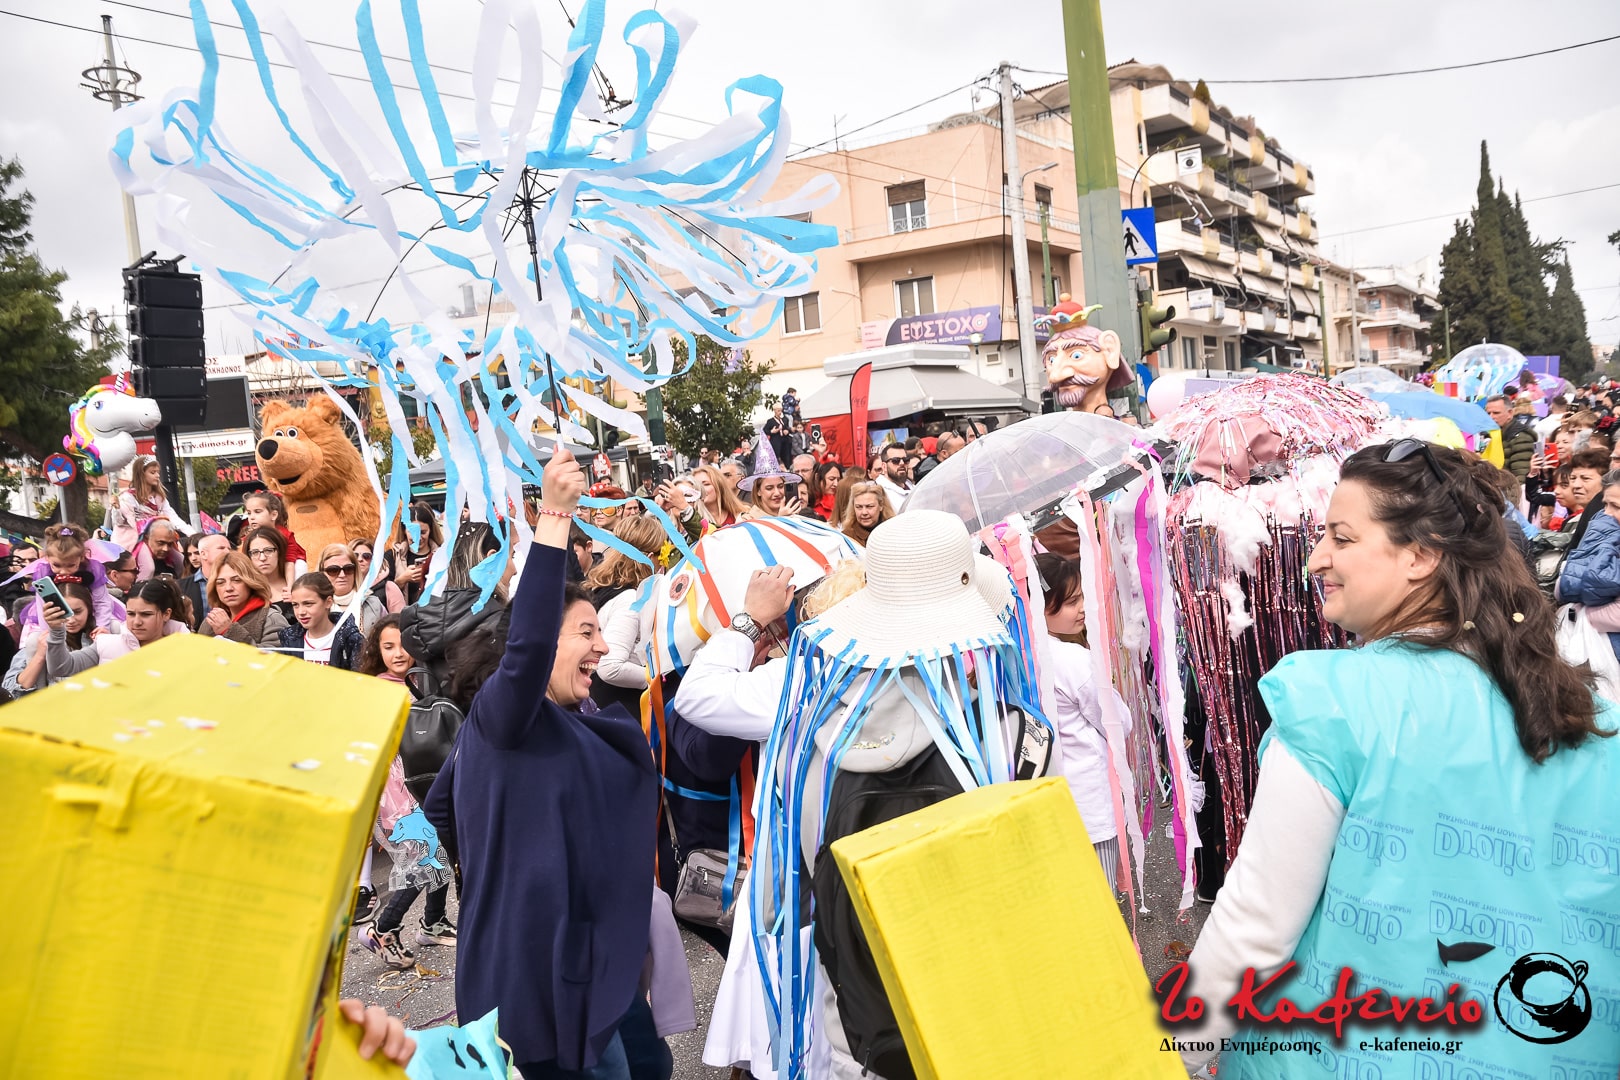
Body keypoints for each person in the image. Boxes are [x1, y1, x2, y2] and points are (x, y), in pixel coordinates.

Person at [1178, 439, 1620, 1078]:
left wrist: (1173, 1056)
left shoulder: (1333, 703)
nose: (1316, 558)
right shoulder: (1585, 712)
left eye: (1342, 538)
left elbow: (1255, 925)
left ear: (1420, 555)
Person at [422, 448, 671, 1080]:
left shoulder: (572, 720)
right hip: (530, 972)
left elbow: (439, 813)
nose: (604, 646)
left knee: (649, 1064)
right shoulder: (503, 717)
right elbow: (528, 644)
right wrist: (555, 516)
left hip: (589, 957)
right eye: (586, 632)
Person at [356, 612, 457, 970]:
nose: (398, 653)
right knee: (427, 853)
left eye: (403, 645)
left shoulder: (422, 680)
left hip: (425, 778)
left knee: (440, 845)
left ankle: (433, 921)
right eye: (388, 647)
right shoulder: (378, 689)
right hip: (398, 785)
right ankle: (383, 928)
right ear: (377, 651)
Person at [1033, 552, 1127, 888]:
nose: (1083, 608)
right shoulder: (1073, 659)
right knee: (1100, 897)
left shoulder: (1020, 656)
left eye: (1082, 597)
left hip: (1047, 801)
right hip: (1089, 803)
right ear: (1043, 607)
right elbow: (1117, 723)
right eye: (1072, 602)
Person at [398, 522, 512, 694]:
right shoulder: (502, 626)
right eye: (511, 555)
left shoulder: (423, 620)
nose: (515, 569)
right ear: (491, 559)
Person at [35, 576, 189, 682]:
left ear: (166, 614)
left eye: (146, 614)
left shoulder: (187, 650)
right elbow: (61, 668)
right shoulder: (107, 644)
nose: (136, 622)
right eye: (130, 614)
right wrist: (56, 630)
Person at [589, 515, 668, 717]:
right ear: (649, 557)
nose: (663, 562)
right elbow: (610, 666)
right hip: (620, 706)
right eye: (662, 554)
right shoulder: (629, 600)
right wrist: (658, 678)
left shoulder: (610, 587)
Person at [19, 523, 118, 633]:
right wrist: (47, 633)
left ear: (81, 557)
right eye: (57, 565)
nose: (64, 572)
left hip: (90, 614)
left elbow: (102, 602)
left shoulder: (92, 569)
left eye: (71, 565)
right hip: (55, 619)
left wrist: (102, 627)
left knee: (114, 627)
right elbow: (43, 607)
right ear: (47, 558)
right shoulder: (44, 573)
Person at [4, 581, 95, 696]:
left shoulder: (102, 635)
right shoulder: (38, 639)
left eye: (77, 612)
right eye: (63, 613)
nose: (71, 620)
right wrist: (39, 655)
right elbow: (10, 690)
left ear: (89, 609)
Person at [199, 552, 290, 649]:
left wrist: (229, 632)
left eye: (236, 580)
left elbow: (275, 657)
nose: (228, 588)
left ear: (250, 582)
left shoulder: (271, 619)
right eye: (221, 582)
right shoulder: (211, 621)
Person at [279, 571, 366, 668]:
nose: (301, 612)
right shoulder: (290, 639)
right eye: (295, 605)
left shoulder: (350, 639)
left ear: (328, 602)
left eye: (308, 604)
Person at [110, 454, 187, 551]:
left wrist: (192, 533)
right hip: (134, 542)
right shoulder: (128, 497)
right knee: (148, 561)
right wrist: (116, 508)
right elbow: (119, 522)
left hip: (156, 539)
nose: (157, 476)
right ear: (141, 474)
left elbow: (173, 517)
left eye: (158, 472)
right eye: (153, 472)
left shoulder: (159, 497)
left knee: (179, 557)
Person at [317, 542, 386, 638]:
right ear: (321, 573)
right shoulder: (315, 606)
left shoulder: (374, 604)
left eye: (348, 569)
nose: (342, 575)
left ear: (355, 571)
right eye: (333, 570)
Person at [388, 501, 442, 606]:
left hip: (435, 612)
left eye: (423, 532)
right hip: (403, 614)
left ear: (431, 530)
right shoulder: (393, 555)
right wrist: (402, 580)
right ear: (404, 530)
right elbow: (382, 595)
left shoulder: (443, 556)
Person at [242, 490, 308, 571]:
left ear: (273, 515)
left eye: (257, 512)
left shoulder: (285, 536)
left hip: (290, 570)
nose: (252, 517)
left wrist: (290, 580)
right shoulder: (248, 538)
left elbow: (289, 562)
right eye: (249, 513)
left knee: (299, 565)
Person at [181, 532, 233, 631]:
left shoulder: (240, 583)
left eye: (229, 549)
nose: (227, 552)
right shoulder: (182, 586)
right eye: (221, 548)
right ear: (204, 554)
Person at [243, 525, 296, 608]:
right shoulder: (245, 591)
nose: (262, 558)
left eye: (268, 550)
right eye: (255, 552)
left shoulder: (297, 584)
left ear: (279, 552)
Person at [1486, 395, 1536, 482]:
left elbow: (1521, 476)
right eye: (1488, 413)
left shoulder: (1521, 438)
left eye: (1496, 413)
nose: (1491, 417)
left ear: (1510, 413)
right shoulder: (1495, 434)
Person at [351, 538, 406, 613]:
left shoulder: (389, 587)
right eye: (355, 555)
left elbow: (399, 618)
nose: (360, 559)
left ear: (375, 560)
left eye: (366, 556)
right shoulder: (343, 587)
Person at [839, 480, 894, 546]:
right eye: (859, 507)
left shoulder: (893, 533)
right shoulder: (846, 538)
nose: (864, 512)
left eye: (869, 506)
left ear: (881, 505)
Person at [873, 444, 912, 513]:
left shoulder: (913, 487)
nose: (902, 463)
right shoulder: (878, 493)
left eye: (905, 460)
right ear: (884, 466)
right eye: (895, 460)